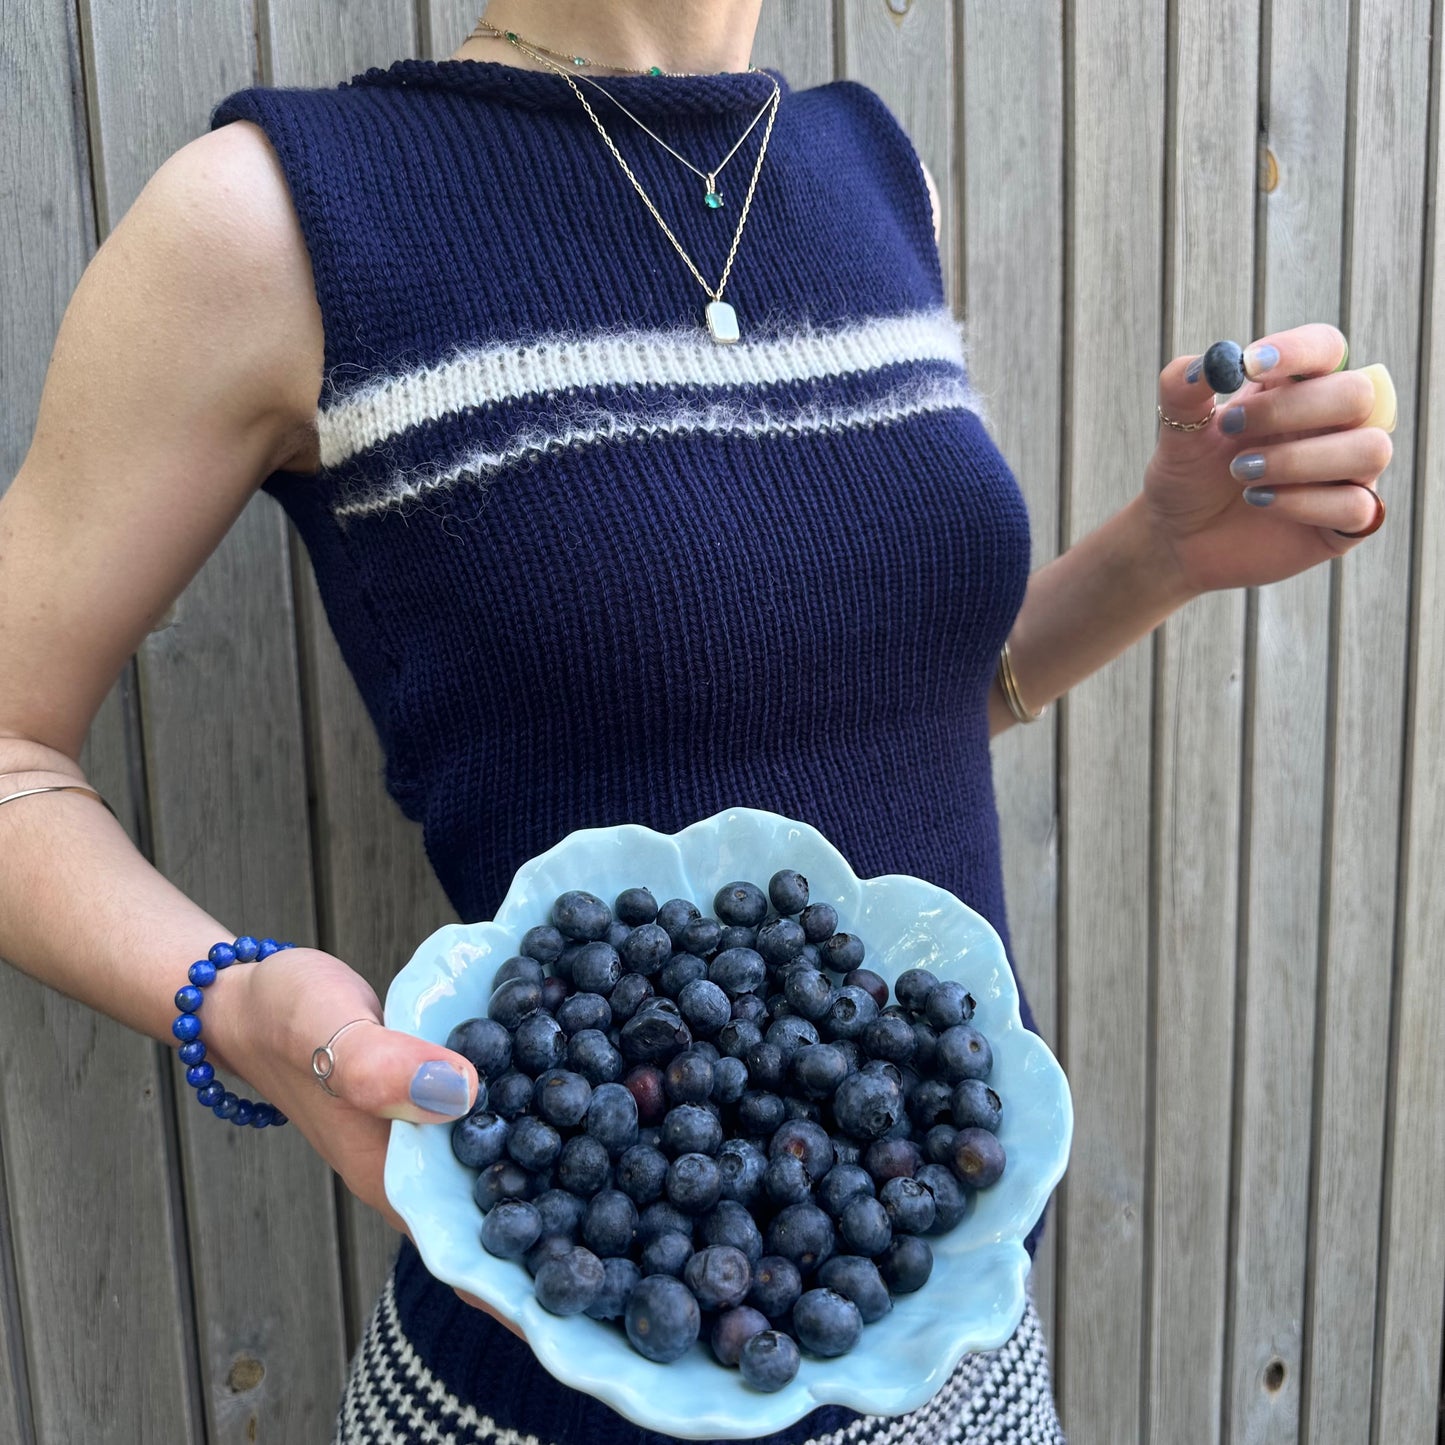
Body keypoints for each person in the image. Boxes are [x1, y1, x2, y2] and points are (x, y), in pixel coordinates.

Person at [0, 1, 1395, 1442]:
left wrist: (1155, 552)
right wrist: (237, 1005)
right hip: (556, 1384)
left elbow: (858, 717)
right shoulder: (277, 217)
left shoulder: (865, 168)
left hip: (960, 1365)